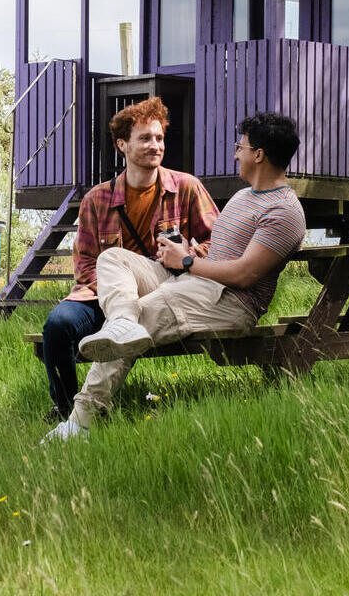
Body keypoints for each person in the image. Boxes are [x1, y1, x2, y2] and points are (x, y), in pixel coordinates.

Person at [51, 112, 307, 439]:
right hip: (195, 282)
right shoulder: (245, 196)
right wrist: (187, 253)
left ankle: (80, 422)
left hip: (229, 302)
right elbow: (218, 252)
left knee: (146, 310)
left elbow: (244, 274)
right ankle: (122, 321)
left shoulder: (283, 212)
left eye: (240, 147)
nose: (235, 154)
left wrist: (186, 261)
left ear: (259, 155)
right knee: (114, 259)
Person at [40, 97, 218, 441]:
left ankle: (88, 412)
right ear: (122, 144)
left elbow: (219, 242)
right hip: (104, 296)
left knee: (133, 310)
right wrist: (114, 296)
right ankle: (66, 411)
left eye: (159, 138)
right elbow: (86, 263)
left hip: (166, 289)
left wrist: (190, 253)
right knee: (58, 326)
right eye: (145, 138)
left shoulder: (187, 187)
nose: (156, 146)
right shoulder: (96, 199)